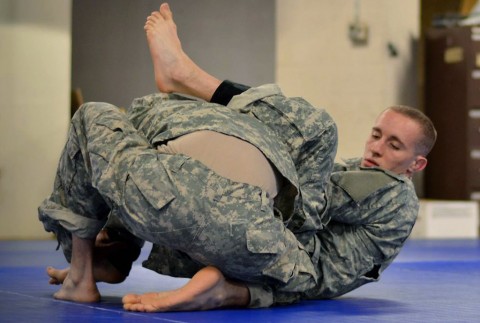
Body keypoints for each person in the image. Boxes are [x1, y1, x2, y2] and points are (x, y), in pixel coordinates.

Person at [40, 3, 436, 312]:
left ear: (416, 166)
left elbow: (312, 208)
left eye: (394, 146)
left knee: (317, 128)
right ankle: (122, 258)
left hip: (289, 259)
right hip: (265, 255)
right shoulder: (358, 169)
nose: (377, 147)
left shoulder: (396, 193)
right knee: (298, 140)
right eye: (377, 135)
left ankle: (187, 75)